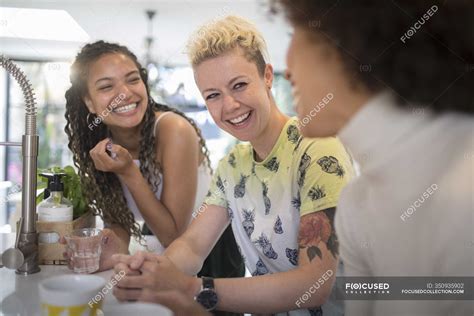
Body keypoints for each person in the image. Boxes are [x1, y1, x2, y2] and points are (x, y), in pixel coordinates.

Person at [112, 16, 354, 315]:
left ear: (267, 76)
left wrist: (190, 288)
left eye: (239, 85)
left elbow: (315, 286)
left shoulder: (318, 148)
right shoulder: (232, 167)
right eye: (213, 95)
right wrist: (150, 271)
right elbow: (192, 246)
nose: (229, 106)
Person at [273, 1, 474, 315]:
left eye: (293, 34)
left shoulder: (465, 182)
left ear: (346, 36)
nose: (287, 65)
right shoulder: (357, 203)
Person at [63, 41, 244, 287]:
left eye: (133, 79)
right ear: (90, 103)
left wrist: (128, 172)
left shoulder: (174, 130)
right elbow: (119, 223)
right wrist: (106, 251)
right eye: (107, 86)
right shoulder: (99, 146)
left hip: (211, 253)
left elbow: (173, 235)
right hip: (163, 253)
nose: (125, 93)